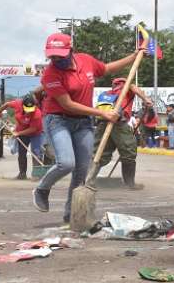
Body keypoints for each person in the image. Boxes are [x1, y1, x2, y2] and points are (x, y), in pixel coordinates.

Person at [31, 32, 143, 224]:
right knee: (66, 163)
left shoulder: (86, 61)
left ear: (71, 50)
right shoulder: (50, 74)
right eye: (52, 56)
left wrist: (133, 56)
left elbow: (106, 68)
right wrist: (102, 114)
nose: (56, 59)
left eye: (60, 55)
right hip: (58, 120)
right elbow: (67, 105)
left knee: (82, 170)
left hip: (83, 122)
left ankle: (71, 213)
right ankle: (42, 189)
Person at [93, 78, 153, 189]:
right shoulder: (126, 89)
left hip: (102, 124)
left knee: (100, 154)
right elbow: (134, 88)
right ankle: (130, 183)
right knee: (129, 151)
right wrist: (146, 99)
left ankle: (88, 180)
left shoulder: (106, 94)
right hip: (119, 124)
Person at [0, 93, 44, 180]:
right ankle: (22, 174)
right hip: (22, 133)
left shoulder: (37, 114)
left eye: (31, 109)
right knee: (22, 153)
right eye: (27, 109)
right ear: (22, 105)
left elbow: (33, 129)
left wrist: (19, 133)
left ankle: (37, 174)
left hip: (35, 134)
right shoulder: (17, 104)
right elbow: (6, 104)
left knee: (36, 153)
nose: (29, 111)